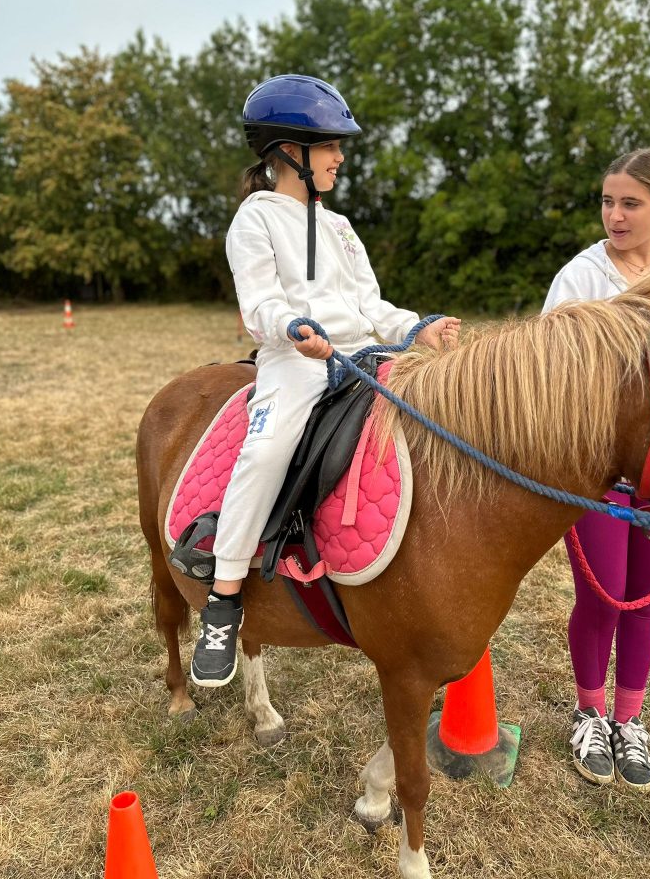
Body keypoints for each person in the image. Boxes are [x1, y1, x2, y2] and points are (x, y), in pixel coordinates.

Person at [190, 74, 461, 688]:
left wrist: (417, 327)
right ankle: (224, 597)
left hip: (364, 354)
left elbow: (372, 306)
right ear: (290, 151)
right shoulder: (254, 220)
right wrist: (292, 328)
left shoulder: (340, 227)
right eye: (331, 146)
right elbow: (260, 303)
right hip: (297, 359)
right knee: (267, 449)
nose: (340, 157)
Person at [543, 147, 650, 791]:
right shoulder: (581, 277)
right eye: (608, 202)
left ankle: (629, 719)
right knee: (604, 594)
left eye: (631, 204)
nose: (615, 216)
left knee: (644, 597)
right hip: (598, 472)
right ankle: (589, 713)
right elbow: (548, 371)